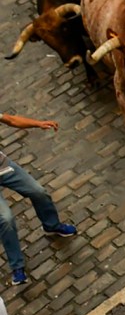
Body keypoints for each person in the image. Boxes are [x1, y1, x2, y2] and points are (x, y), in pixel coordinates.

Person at [0, 112, 77, 286]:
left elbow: (10, 120)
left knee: (38, 192)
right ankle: (17, 266)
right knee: (5, 219)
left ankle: (52, 225)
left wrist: (38, 123)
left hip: (3, 167)